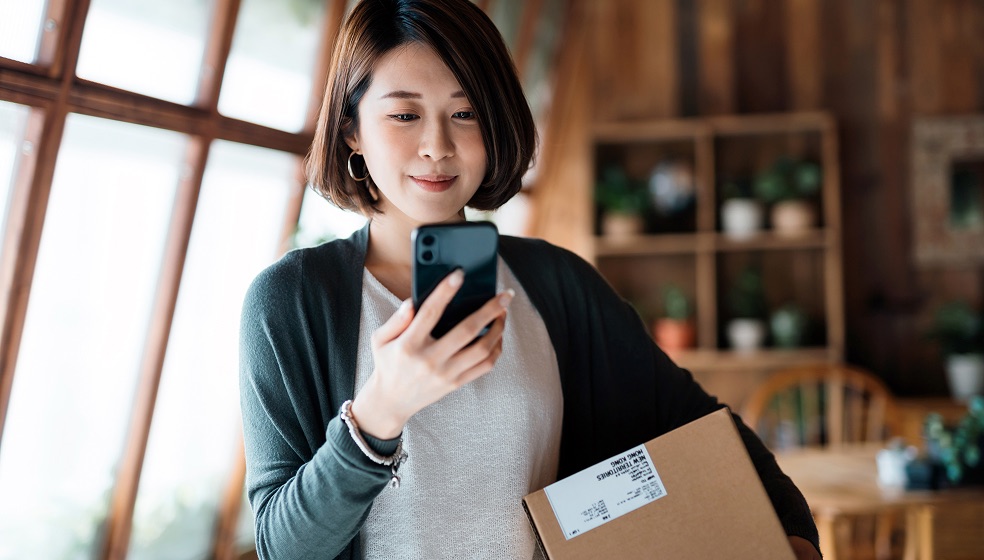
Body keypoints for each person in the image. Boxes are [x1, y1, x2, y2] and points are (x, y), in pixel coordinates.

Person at [239, 0, 822, 559]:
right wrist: (379, 412)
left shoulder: (555, 283)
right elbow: (282, 548)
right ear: (352, 131)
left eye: (465, 113)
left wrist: (791, 533)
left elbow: (699, 424)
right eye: (404, 115)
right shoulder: (292, 301)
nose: (437, 146)